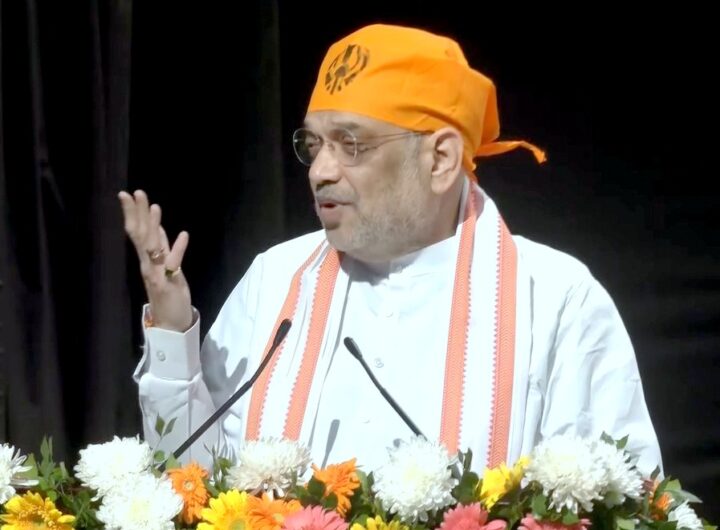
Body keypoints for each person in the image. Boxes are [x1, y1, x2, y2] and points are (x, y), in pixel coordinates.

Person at [119, 23, 663, 476]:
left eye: (351, 144)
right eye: (314, 144)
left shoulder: (555, 299)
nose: (320, 172)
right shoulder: (276, 279)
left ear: (440, 160)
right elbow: (194, 487)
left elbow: (618, 500)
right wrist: (172, 335)